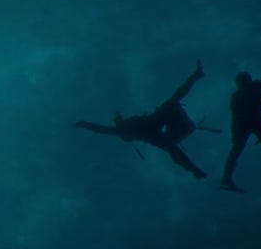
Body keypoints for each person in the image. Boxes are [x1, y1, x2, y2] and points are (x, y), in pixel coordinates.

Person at [74, 60, 214, 179]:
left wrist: (84, 124)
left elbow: (101, 129)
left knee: (174, 104)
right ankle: (196, 171)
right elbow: (101, 130)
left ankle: (196, 75)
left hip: (153, 123)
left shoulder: (121, 127)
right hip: (151, 131)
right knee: (174, 149)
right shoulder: (119, 129)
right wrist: (84, 124)